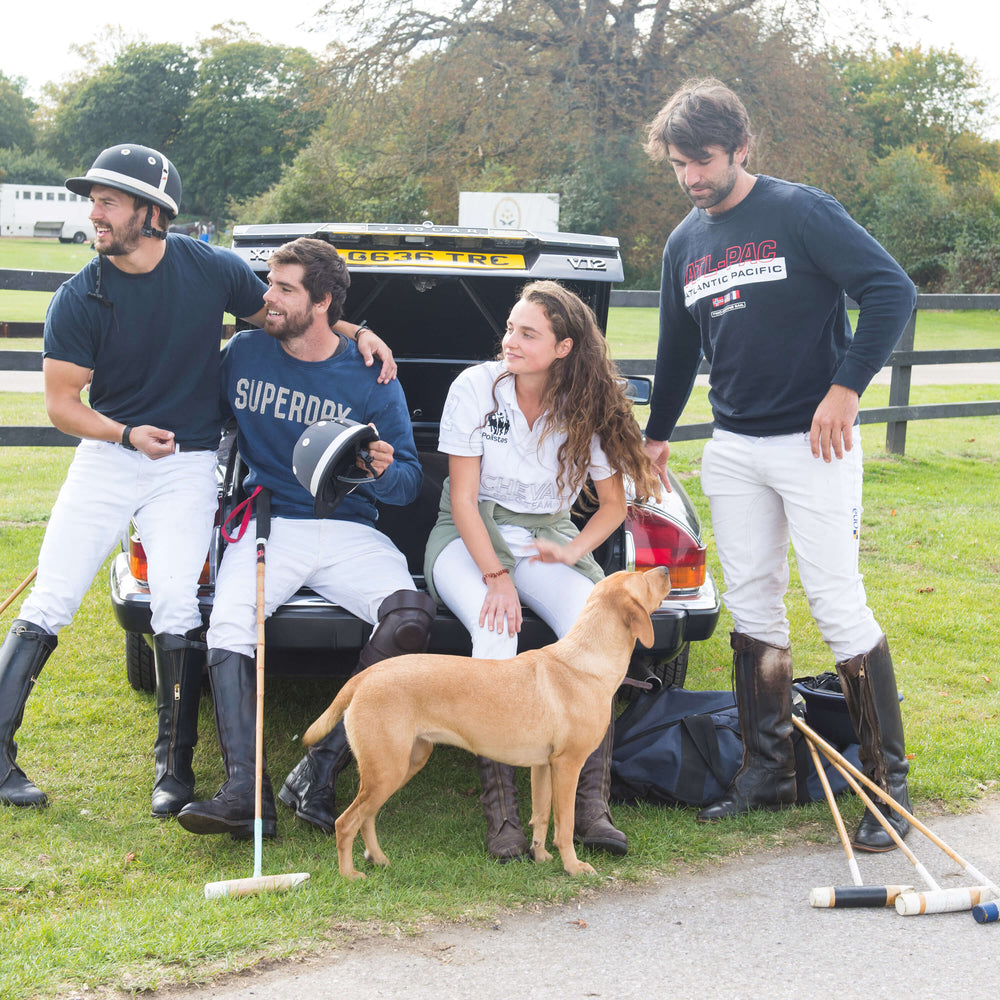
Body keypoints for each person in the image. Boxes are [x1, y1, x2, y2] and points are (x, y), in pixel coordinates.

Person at [0, 144, 393, 819]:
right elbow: (62, 405)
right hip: (108, 457)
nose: (94, 213)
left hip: (186, 465)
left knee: (178, 604)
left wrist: (356, 330)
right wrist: (125, 433)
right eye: (93, 202)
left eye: (108, 202)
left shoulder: (212, 269)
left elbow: (284, 317)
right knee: (53, 597)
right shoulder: (79, 296)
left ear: (152, 214)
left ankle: (174, 770)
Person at [642, 79, 917, 851]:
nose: (691, 177)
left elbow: (891, 291)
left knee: (837, 602)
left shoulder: (801, 212)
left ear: (741, 147)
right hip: (733, 449)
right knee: (753, 606)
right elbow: (675, 348)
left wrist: (846, 389)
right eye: (678, 164)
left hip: (814, 442)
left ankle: (886, 787)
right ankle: (765, 774)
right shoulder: (683, 243)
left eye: (702, 160)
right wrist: (656, 435)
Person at [177, 237, 434, 840]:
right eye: (270, 282)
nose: (267, 296)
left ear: (321, 304)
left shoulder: (371, 376)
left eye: (284, 289)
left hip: (351, 529)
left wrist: (381, 469)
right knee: (229, 623)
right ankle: (246, 793)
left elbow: (408, 484)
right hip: (272, 523)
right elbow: (199, 418)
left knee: (411, 618)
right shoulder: (243, 352)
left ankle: (318, 770)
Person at [424, 279, 660, 861]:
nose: (510, 340)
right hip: (469, 534)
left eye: (528, 333)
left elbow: (612, 507)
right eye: (510, 328)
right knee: (496, 628)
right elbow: (463, 500)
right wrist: (497, 578)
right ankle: (504, 817)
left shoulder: (588, 404)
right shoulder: (476, 386)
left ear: (563, 347)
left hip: (545, 537)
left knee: (595, 624)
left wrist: (573, 552)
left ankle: (589, 808)